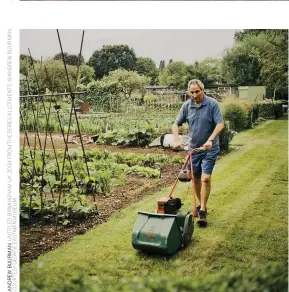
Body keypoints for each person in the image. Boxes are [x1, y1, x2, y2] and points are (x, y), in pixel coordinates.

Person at [172, 79, 224, 227]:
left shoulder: (212, 104)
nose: (194, 95)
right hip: (193, 149)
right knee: (195, 179)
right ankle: (202, 205)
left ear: (203, 90)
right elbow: (176, 124)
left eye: (197, 91)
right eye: (192, 92)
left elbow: (220, 124)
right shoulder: (187, 106)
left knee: (205, 178)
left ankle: (201, 210)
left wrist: (211, 140)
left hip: (209, 148)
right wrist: (176, 139)